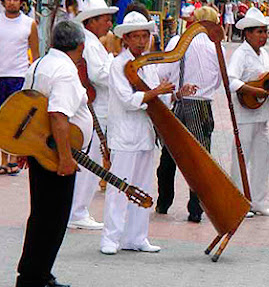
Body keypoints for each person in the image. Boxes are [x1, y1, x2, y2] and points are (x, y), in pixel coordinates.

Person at [16, 20, 93, 287]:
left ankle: (34, 272)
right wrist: (65, 158)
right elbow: (58, 116)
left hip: (40, 148)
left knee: (40, 214)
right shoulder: (65, 70)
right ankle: (35, 278)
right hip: (54, 153)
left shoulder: (39, 64)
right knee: (54, 218)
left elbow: (27, 109)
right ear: (80, 46)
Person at [100, 11, 175, 255]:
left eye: (145, 36)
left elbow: (159, 96)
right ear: (126, 39)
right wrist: (155, 93)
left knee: (143, 187)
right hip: (124, 135)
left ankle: (136, 237)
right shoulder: (118, 65)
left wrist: (175, 92)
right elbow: (128, 100)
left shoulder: (148, 65)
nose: (142, 41)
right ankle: (110, 238)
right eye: (136, 37)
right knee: (119, 187)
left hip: (145, 135)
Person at [155, 6, 222, 223]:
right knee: (199, 159)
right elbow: (220, 79)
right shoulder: (215, 46)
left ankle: (163, 202)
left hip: (178, 103)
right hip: (202, 106)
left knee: (169, 155)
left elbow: (162, 72)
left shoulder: (177, 42)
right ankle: (195, 209)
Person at [228, 7, 269, 217]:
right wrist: (252, 90)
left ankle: (258, 201)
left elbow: (268, 84)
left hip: (262, 114)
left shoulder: (264, 54)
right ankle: (239, 201)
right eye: (259, 32)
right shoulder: (240, 54)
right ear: (247, 33)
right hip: (244, 115)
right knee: (241, 159)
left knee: (262, 159)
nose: (264, 36)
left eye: (265, 31)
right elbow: (230, 80)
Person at [67, 0, 118, 230]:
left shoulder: (92, 42)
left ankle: (77, 209)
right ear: (92, 21)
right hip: (95, 109)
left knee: (92, 159)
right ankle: (78, 210)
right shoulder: (89, 43)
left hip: (98, 107)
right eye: (104, 19)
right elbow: (99, 75)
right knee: (91, 160)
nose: (109, 23)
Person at [0, 0, 39, 175]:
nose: (11, 2)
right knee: (1, 119)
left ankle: (14, 159)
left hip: (19, 76)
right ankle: (3, 160)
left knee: (16, 119)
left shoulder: (29, 24)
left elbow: (35, 53)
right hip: (1, 75)